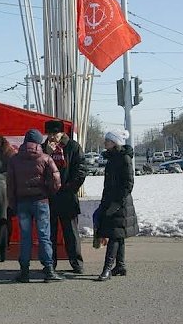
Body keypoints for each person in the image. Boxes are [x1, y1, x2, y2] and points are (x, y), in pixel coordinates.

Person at [7, 129, 63, 283]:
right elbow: (56, 180)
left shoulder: (14, 159)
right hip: (41, 202)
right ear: (39, 142)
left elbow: (10, 184)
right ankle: (49, 270)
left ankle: (24, 272)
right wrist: (48, 192)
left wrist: (13, 203)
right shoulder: (45, 158)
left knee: (25, 238)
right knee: (44, 236)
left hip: (22, 203)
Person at [42, 120, 87, 273]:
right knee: (50, 233)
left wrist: (70, 188)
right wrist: (46, 153)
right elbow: (38, 169)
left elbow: (81, 170)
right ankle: (50, 264)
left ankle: (76, 263)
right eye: (49, 134)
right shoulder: (43, 148)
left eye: (55, 134)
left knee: (71, 233)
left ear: (62, 133)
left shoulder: (72, 147)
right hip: (50, 196)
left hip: (67, 196)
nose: (52, 137)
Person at [95, 129, 139, 281]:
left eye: (107, 140)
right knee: (118, 235)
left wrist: (117, 203)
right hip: (111, 201)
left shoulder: (123, 158)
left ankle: (107, 269)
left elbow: (128, 184)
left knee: (114, 235)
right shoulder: (112, 158)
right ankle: (120, 266)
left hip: (120, 203)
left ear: (114, 142)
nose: (105, 142)